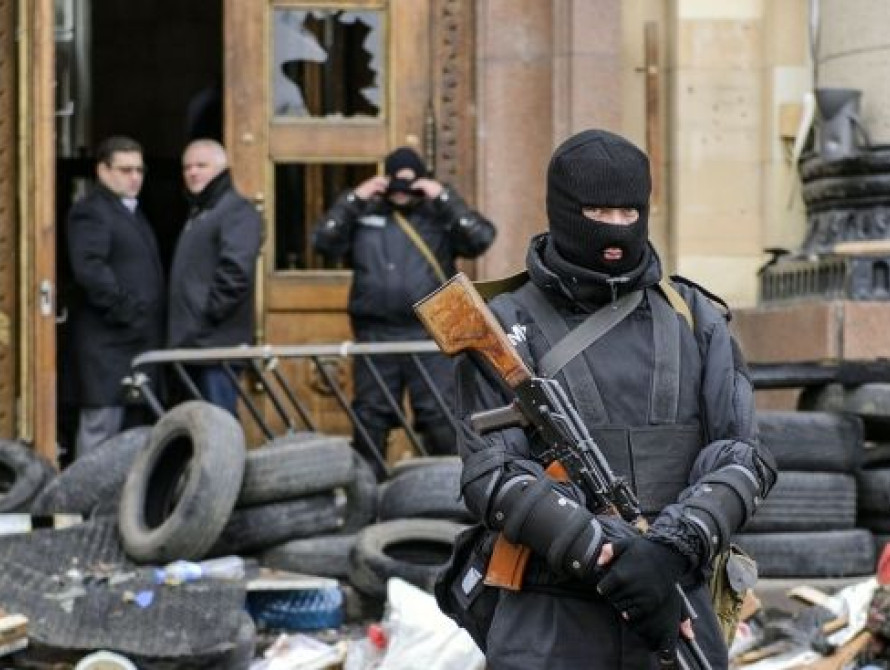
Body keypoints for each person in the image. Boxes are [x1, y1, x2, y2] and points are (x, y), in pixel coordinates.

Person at [449, 129, 777, 669]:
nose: (616, 227)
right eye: (598, 211)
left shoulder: (695, 316)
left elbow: (743, 457)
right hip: (549, 619)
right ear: (563, 211)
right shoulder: (500, 326)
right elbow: (493, 474)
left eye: (629, 212)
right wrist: (602, 550)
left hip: (673, 600)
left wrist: (670, 549)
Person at [313, 147, 496, 478]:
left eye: (409, 184)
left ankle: (447, 490)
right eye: (395, 183)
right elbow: (324, 241)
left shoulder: (438, 215)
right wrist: (355, 198)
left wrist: (443, 197)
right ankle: (367, 492)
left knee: (439, 416)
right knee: (371, 417)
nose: (401, 191)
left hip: (429, 336)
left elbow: (480, 238)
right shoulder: (365, 213)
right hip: (375, 335)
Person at [66, 136, 165, 457]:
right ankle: (85, 492)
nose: (134, 177)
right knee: (100, 432)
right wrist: (126, 311)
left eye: (139, 170)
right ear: (102, 171)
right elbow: (90, 270)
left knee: (132, 437)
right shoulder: (91, 211)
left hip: (134, 344)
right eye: (125, 170)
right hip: (107, 345)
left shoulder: (131, 211)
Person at [167, 139, 262, 416]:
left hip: (216, 345)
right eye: (187, 167)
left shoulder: (236, 211)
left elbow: (236, 272)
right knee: (197, 423)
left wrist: (207, 317)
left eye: (201, 165)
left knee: (218, 424)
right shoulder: (201, 212)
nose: (192, 172)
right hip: (197, 344)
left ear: (221, 169)